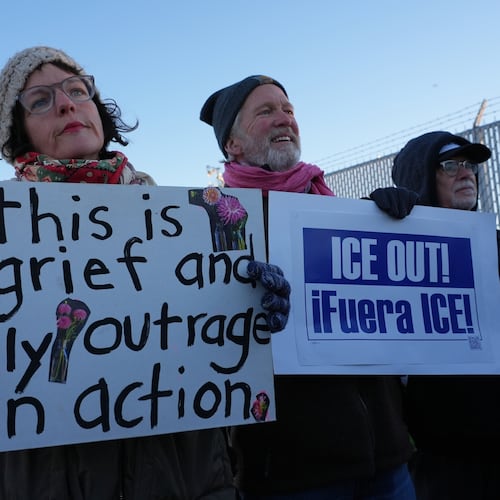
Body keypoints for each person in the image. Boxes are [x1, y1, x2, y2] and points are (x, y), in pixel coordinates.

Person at [0, 48, 290, 500]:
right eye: (40, 99)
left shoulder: (187, 224)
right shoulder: (5, 239)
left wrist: (246, 306)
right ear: (16, 133)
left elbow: (215, 362)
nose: (66, 104)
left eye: (78, 90)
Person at [200, 75, 417, 499]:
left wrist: (393, 230)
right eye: (265, 111)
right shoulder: (214, 224)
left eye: (288, 109)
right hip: (293, 472)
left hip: (387, 459)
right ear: (233, 145)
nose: (284, 118)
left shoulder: (339, 209)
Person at [392, 131, 500, 500]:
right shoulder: (395, 256)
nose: (466, 172)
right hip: (443, 462)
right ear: (419, 176)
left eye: (469, 164)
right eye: (450, 165)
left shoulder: (496, 244)